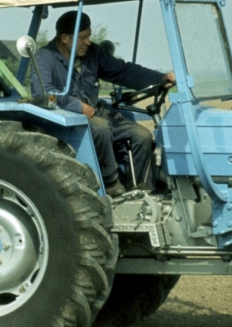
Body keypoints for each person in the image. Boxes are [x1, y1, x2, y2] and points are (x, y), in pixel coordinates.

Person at [31, 11, 175, 196]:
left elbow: (123, 71)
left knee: (141, 135)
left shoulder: (93, 53)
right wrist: (77, 107)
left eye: (89, 36)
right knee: (100, 127)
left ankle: (141, 189)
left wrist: (160, 79)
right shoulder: (44, 57)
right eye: (82, 38)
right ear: (65, 38)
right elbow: (44, 94)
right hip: (65, 119)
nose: (88, 42)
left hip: (95, 111)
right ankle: (110, 183)